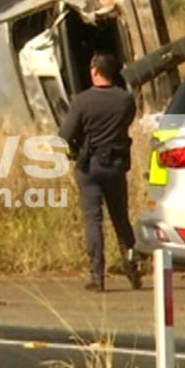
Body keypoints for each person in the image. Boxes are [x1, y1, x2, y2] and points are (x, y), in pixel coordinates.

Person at [59, 51, 144, 291]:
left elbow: (65, 136)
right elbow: (126, 123)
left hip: (89, 166)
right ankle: (133, 270)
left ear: (95, 71)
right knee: (121, 220)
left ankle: (97, 277)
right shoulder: (126, 100)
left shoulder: (81, 101)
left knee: (93, 220)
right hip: (116, 165)